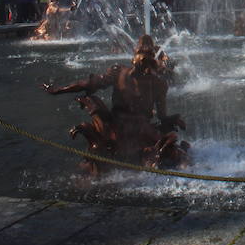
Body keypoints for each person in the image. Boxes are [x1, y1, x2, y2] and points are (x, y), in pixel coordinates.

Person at [44, 34, 188, 170]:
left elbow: (87, 84)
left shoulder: (120, 72)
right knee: (175, 152)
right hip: (141, 131)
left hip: (117, 128)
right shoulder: (158, 82)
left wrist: (59, 90)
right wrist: (174, 119)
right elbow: (162, 116)